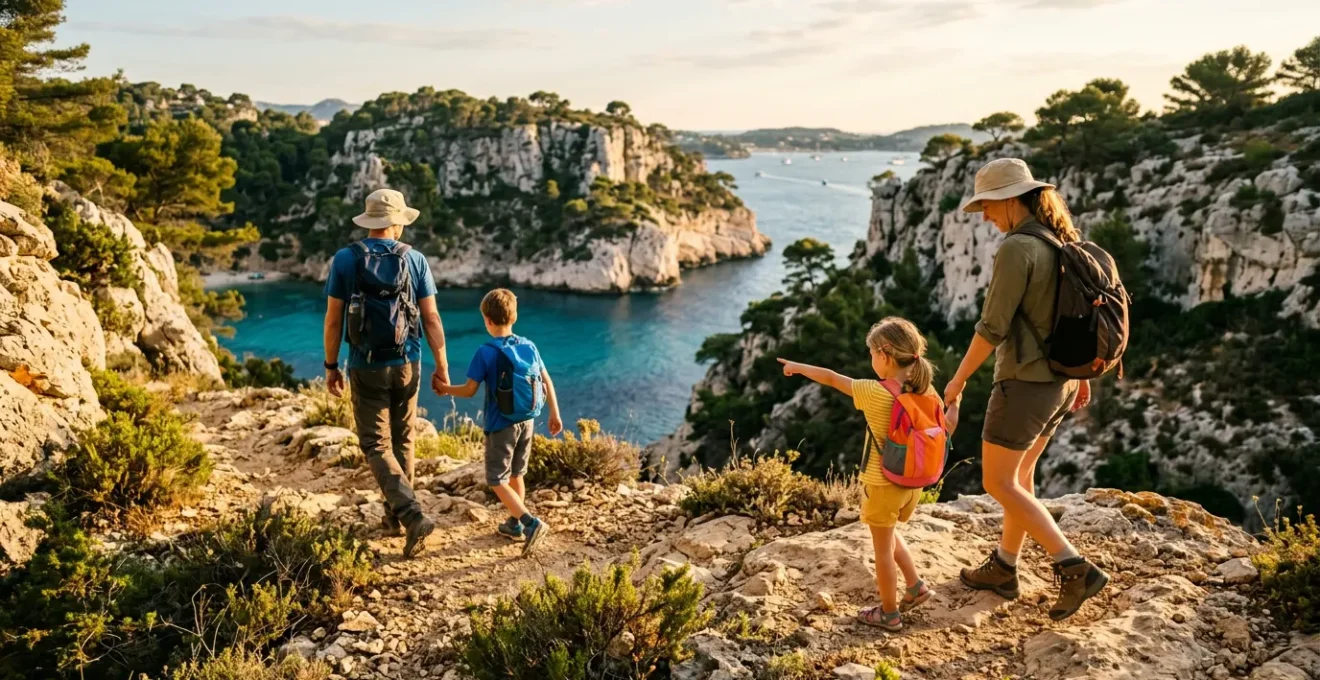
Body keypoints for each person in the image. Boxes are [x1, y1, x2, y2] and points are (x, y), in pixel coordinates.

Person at [943, 158, 1107, 621]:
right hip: (1059, 382)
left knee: (997, 481)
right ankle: (1005, 567)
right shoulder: (1060, 241)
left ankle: (1074, 567)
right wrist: (1077, 377)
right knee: (1021, 479)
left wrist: (957, 381)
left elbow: (992, 326)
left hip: (1024, 383)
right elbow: (1070, 319)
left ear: (1012, 200)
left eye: (990, 207)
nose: (987, 218)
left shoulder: (1018, 247)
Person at [778, 317, 953, 632]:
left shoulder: (875, 392)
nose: (871, 360)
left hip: (883, 483)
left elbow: (832, 379)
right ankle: (915, 587)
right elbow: (946, 427)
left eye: (872, 354)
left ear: (884, 357)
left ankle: (889, 613)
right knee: (889, 533)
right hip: (914, 483)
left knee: (881, 550)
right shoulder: (926, 391)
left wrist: (797, 367)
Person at [323, 188, 448, 559]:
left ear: (370, 221)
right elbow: (431, 318)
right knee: (403, 438)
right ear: (396, 223)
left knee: (376, 445)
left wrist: (331, 366)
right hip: (408, 361)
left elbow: (333, 321)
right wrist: (442, 366)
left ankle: (409, 516)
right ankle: (396, 518)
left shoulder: (346, 260)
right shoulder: (416, 259)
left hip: (366, 363)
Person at [437, 288, 563, 556]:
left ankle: (530, 523)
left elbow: (469, 390)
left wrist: (445, 389)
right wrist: (554, 413)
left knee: (496, 479)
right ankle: (514, 523)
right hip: (527, 421)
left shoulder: (486, 352)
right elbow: (546, 380)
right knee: (517, 474)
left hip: (500, 424)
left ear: (488, 321)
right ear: (514, 317)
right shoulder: (529, 345)